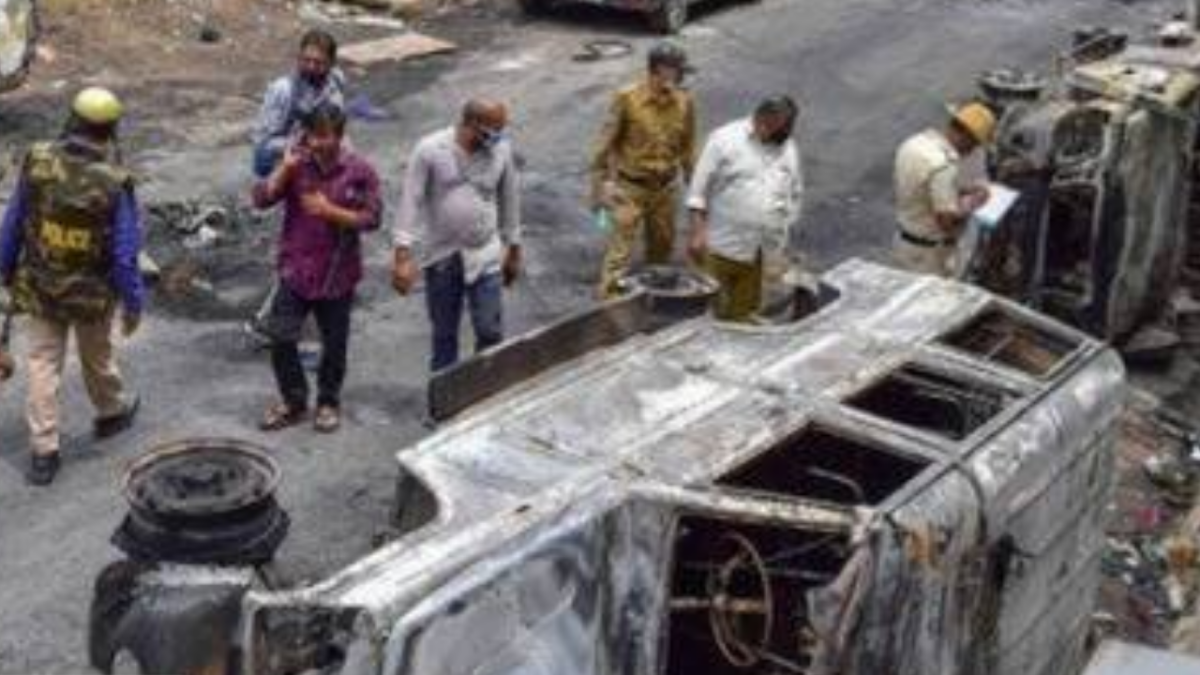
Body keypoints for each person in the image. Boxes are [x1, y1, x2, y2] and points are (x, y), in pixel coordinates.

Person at [0, 87, 144, 486]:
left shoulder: (38, 160)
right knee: (97, 356)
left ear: (73, 120)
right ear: (110, 129)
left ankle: (44, 450)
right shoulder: (114, 182)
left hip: (41, 286)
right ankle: (110, 413)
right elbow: (124, 254)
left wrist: (4, 269)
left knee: (43, 364)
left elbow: (14, 220)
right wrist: (133, 303)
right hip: (91, 295)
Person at [252, 103, 381, 433]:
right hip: (295, 271)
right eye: (313, 136)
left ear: (339, 136)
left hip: (337, 275)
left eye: (325, 136)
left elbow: (372, 219)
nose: (318, 143)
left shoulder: (360, 171)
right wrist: (284, 168)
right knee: (281, 338)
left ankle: (328, 402)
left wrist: (330, 211)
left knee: (334, 345)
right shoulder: (297, 166)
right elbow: (261, 199)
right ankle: (294, 402)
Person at [391, 99, 522, 372]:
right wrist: (402, 255)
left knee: (490, 330)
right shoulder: (430, 149)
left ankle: (486, 388)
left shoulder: (501, 150)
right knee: (444, 335)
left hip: (485, 254)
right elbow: (410, 200)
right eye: (492, 130)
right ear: (471, 124)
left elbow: (510, 199)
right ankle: (443, 394)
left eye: (501, 130)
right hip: (443, 256)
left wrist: (514, 250)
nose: (497, 137)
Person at [590, 42, 697, 299]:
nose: (681, 75)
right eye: (677, 69)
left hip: (665, 190)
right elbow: (603, 147)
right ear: (660, 69)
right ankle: (608, 303)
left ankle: (653, 303)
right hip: (629, 189)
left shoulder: (685, 102)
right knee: (620, 253)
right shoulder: (627, 99)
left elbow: (688, 149)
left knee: (662, 251)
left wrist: (697, 194)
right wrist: (599, 191)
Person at [686, 95, 805, 322]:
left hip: (758, 253)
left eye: (786, 130)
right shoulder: (724, 140)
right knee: (708, 316)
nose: (782, 137)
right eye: (777, 129)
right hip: (720, 248)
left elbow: (794, 192)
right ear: (762, 120)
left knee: (744, 316)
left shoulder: (788, 147)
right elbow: (697, 192)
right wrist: (697, 233)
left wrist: (783, 237)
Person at [892, 102, 996, 278]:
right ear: (967, 137)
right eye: (973, 145)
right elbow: (947, 222)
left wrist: (960, 189)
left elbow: (922, 187)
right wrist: (974, 201)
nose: (971, 151)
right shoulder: (944, 166)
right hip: (928, 256)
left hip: (904, 242)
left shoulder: (915, 143)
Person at [251, 29, 346, 179]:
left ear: (331, 63)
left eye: (318, 62)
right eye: (306, 60)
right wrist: (302, 144)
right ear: (298, 57)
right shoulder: (283, 89)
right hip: (279, 156)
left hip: (317, 150)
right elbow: (262, 141)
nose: (311, 67)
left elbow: (336, 121)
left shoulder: (336, 80)